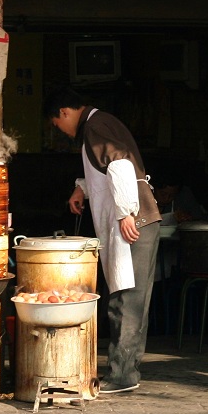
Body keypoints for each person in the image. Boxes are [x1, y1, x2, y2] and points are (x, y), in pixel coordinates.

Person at [44, 86, 161, 395]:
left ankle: (123, 375)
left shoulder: (96, 126)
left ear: (65, 113)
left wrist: (126, 212)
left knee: (127, 300)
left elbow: (121, 166)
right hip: (131, 219)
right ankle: (126, 369)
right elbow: (103, 169)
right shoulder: (95, 126)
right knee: (127, 297)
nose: (63, 132)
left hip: (133, 221)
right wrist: (81, 187)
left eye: (58, 125)